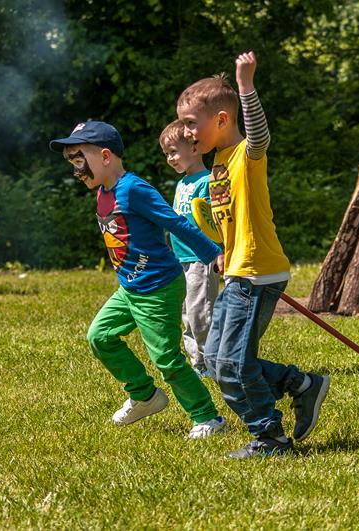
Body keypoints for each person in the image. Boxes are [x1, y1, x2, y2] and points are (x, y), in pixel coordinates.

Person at [176, 51, 330, 458]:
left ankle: (270, 437)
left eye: (191, 123)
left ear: (221, 120)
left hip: (258, 273)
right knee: (215, 359)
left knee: (233, 363)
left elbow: (260, 137)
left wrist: (245, 85)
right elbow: (230, 218)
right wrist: (222, 251)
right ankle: (301, 384)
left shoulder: (246, 154)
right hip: (237, 272)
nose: (185, 132)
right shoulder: (218, 164)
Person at [49, 120, 227, 439]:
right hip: (130, 289)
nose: (76, 170)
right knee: (99, 337)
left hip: (158, 288)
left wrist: (213, 254)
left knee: (167, 360)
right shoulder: (103, 192)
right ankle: (145, 396)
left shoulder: (134, 189)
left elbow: (176, 222)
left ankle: (208, 418)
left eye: (78, 159)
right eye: (71, 162)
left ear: (105, 156)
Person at [159, 119, 220, 378]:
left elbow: (213, 221)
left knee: (200, 313)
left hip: (201, 257)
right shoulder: (182, 183)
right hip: (182, 257)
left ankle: (214, 362)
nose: (170, 159)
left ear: (194, 148)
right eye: (166, 154)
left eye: (173, 152)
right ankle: (198, 363)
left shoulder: (207, 181)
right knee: (186, 312)